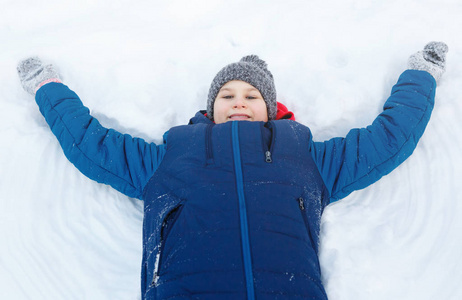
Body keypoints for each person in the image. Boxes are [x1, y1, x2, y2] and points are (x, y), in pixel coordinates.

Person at [17, 42, 448, 300]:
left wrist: (420, 75)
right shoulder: (173, 155)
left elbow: (387, 139)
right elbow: (93, 145)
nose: (238, 101)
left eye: (251, 95)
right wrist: (46, 87)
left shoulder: (305, 155)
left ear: (270, 109)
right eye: (227, 94)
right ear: (211, 108)